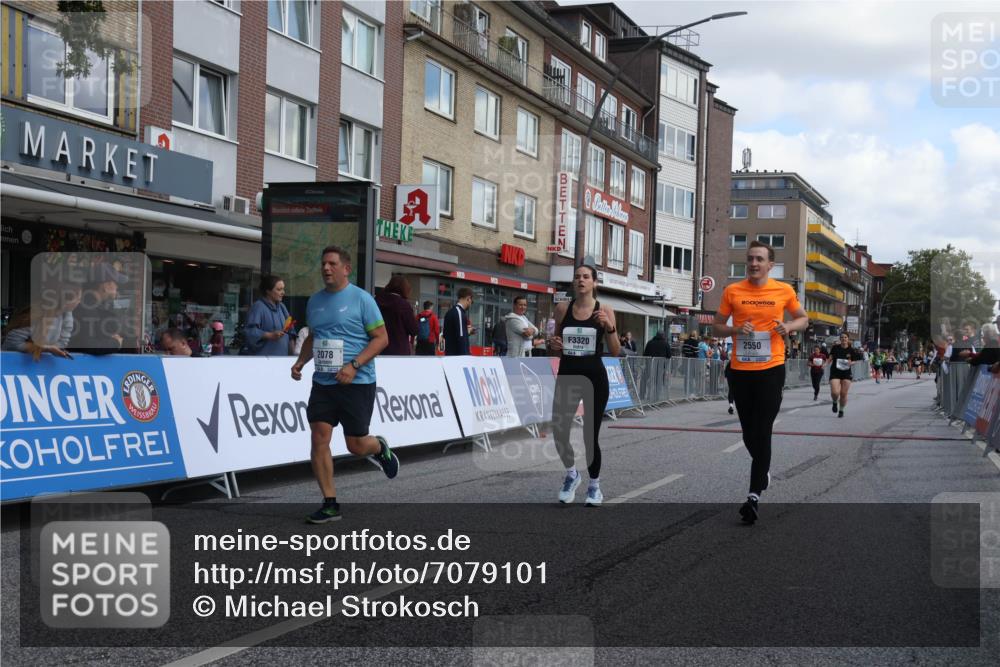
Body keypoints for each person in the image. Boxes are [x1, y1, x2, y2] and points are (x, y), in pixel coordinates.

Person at [291, 245, 399, 524]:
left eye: (332, 264)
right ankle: (329, 503)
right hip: (323, 382)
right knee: (319, 436)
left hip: (357, 381)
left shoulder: (362, 300)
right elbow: (314, 337)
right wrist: (301, 362)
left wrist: (353, 366)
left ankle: (379, 447)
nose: (326, 268)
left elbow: (381, 338)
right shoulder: (314, 301)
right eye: (323, 263)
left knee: (356, 445)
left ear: (346, 268)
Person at [712, 241, 809, 525]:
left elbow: (803, 318)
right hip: (741, 370)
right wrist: (734, 328)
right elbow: (716, 326)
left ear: (770, 265)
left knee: (763, 429)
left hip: (771, 369)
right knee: (748, 432)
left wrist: (788, 327)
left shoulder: (784, 291)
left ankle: (753, 495)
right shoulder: (733, 290)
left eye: (759, 259)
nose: (754, 263)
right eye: (750, 259)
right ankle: (763, 467)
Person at [548, 264, 620, 507]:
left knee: (590, 436)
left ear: (594, 282)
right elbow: (554, 344)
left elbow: (616, 350)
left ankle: (594, 486)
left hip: (594, 378)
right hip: (568, 375)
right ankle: (572, 475)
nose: (581, 280)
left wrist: (609, 327)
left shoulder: (605, 309)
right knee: (559, 432)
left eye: (586, 277)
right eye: (577, 277)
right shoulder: (562, 308)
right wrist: (554, 345)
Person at [2, 282, 81, 359]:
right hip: (12, 363)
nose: (79, 302)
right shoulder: (37, 315)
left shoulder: (66, 315)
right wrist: (47, 348)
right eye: (78, 298)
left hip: (38, 364)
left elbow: (62, 343)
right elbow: (12, 343)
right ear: (66, 301)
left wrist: (54, 349)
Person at [69, 263, 128, 354]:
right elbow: (89, 345)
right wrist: (115, 343)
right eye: (115, 283)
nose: (117, 287)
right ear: (106, 286)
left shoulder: (94, 306)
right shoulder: (86, 308)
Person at [244, 275, 295, 356]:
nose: (283, 292)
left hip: (282, 359)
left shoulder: (282, 307)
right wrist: (269, 335)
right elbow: (249, 332)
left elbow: (290, 332)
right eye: (279, 289)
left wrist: (293, 356)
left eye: (283, 289)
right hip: (263, 360)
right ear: (268, 291)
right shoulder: (258, 307)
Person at [375, 275, 418, 355]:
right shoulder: (403, 305)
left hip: (378, 348)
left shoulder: (376, 301)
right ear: (405, 289)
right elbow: (413, 330)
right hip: (399, 350)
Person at [827, 333, 863, 418]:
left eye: (845, 337)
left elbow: (856, 360)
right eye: (842, 337)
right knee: (835, 392)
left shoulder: (852, 350)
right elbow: (830, 357)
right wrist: (825, 364)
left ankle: (841, 410)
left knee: (843, 394)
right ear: (840, 339)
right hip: (835, 372)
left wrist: (851, 363)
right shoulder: (835, 348)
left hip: (846, 373)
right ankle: (835, 402)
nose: (844, 339)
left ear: (848, 339)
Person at [443, 287, 474, 356]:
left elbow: (446, 334)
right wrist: (466, 356)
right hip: (457, 357)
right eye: (471, 301)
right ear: (468, 298)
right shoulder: (459, 313)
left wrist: (467, 332)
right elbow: (461, 337)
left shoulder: (450, 312)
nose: (471, 304)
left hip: (449, 354)